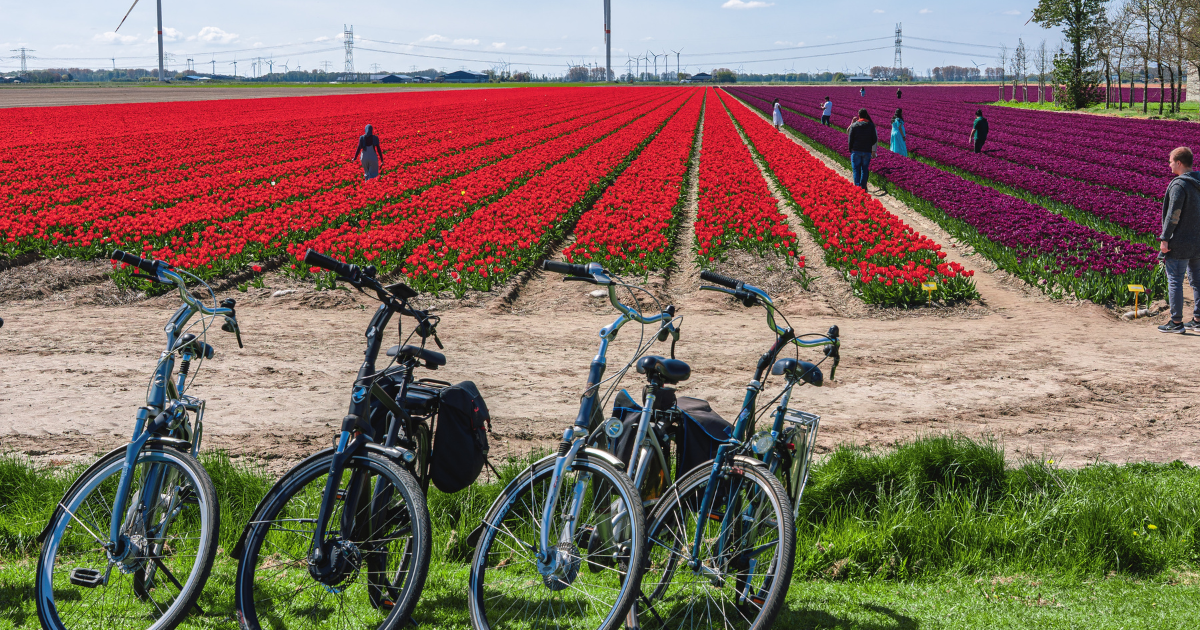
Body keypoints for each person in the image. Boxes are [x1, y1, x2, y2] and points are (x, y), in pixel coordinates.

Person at [1157, 147, 1200, 333]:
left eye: (1170, 161)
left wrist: (1165, 239)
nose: (1169, 164)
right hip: (1198, 241)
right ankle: (1198, 319)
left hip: (1180, 241)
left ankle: (1176, 323)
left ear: (1179, 163)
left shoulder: (1179, 185)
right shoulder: (1198, 182)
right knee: (1197, 281)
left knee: (1174, 280)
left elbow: (1173, 215)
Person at [847, 108, 877, 190]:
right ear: (866, 115)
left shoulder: (854, 125)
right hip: (866, 151)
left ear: (858, 115)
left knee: (856, 170)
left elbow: (850, 139)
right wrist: (868, 145)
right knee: (864, 169)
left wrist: (851, 149)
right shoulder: (871, 126)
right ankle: (863, 187)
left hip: (856, 151)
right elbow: (874, 139)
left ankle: (857, 187)